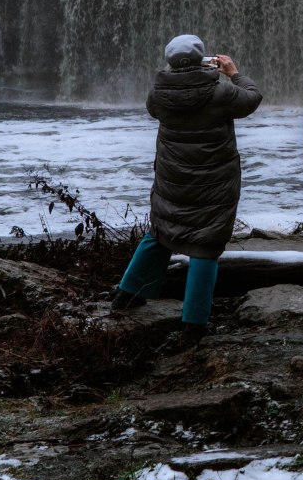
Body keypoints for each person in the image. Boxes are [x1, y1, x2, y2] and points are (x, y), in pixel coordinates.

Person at [110, 34, 263, 346]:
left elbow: (156, 109)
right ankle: (194, 324)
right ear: (201, 59)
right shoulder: (221, 91)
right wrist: (234, 73)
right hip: (213, 183)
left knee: (161, 232)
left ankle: (126, 294)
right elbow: (252, 98)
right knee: (205, 245)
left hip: (172, 179)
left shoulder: (158, 94)